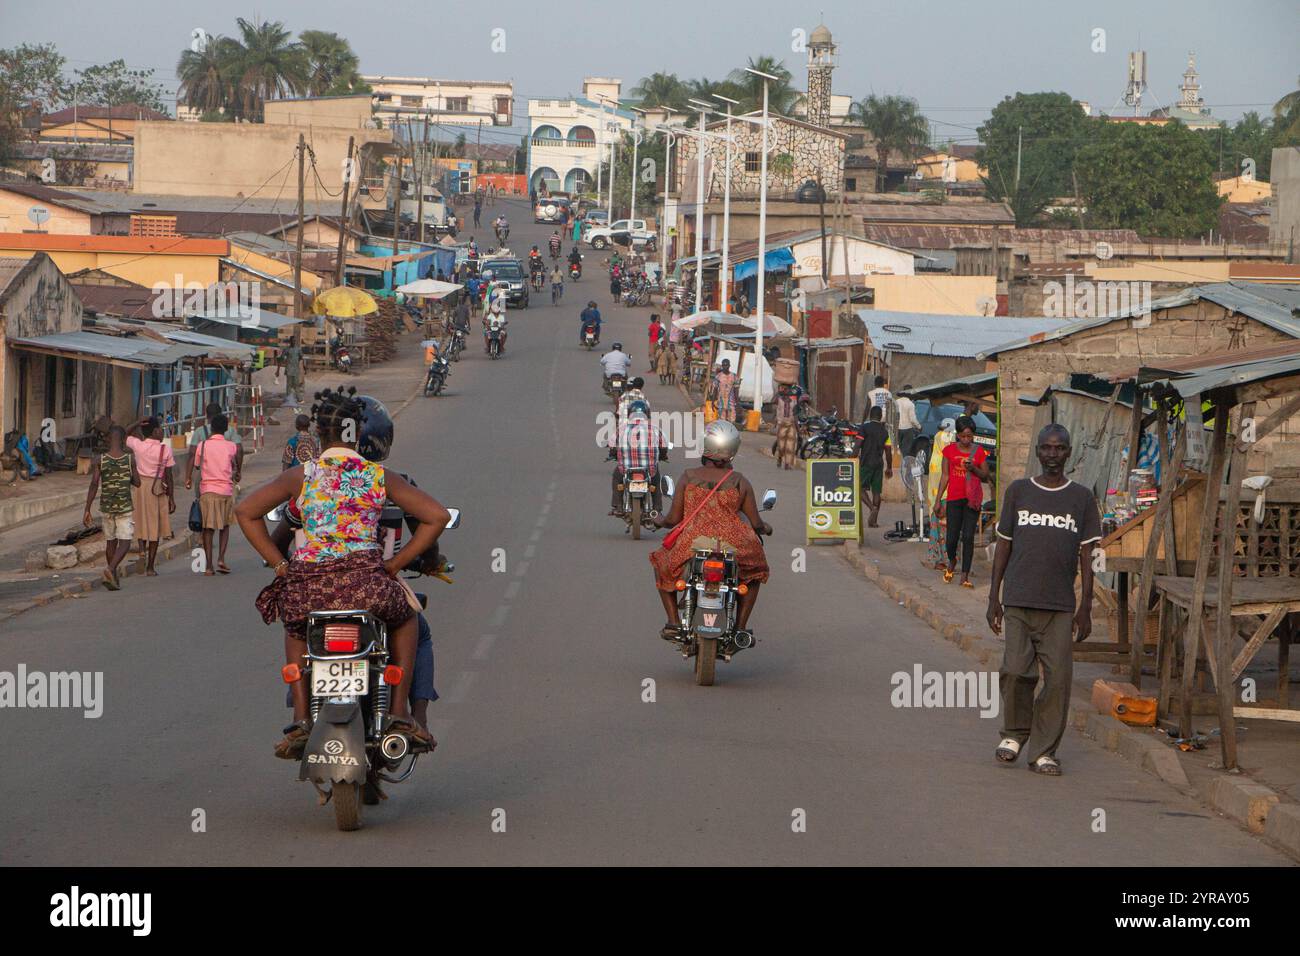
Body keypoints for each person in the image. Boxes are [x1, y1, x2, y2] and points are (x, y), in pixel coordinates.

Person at [236, 386, 451, 757]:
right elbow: (437, 516)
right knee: (408, 620)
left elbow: (245, 512)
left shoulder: (301, 476)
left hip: (309, 586)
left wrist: (282, 567)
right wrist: (395, 565)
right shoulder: (379, 476)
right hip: (367, 583)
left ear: (320, 434)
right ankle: (400, 713)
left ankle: (302, 721)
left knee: (296, 626)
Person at [988, 423, 1101, 777]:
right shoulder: (1019, 492)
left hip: (1060, 606)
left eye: (1060, 449)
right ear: (1037, 451)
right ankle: (1014, 734)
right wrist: (994, 597)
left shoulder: (1082, 498)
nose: (1053, 455)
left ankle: (1043, 751)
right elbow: (1004, 544)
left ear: (1069, 453)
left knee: (1058, 679)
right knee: (1016, 671)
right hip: (1019, 599)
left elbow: (1088, 554)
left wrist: (1086, 607)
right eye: (1047, 448)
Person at [651, 421, 771, 645]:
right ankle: (740, 629)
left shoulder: (688, 477)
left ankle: (673, 622)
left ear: (706, 445)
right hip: (733, 543)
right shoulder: (740, 481)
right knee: (756, 573)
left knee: (661, 564)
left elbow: (673, 519)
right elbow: (756, 522)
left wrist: (660, 521)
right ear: (733, 450)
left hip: (693, 541)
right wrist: (766, 528)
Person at [932, 415, 991, 587]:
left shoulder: (978, 452)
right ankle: (952, 559)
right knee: (951, 538)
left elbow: (985, 476)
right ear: (957, 435)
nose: (966, 439)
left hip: (971, 500)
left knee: (967, 537)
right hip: (953, 499)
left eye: (969, 436)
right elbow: (945, 476)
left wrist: (973, 468)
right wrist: (937, 501)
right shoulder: (949, 451)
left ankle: (964, 575)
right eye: (963, 436)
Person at [83, 424, 139, 591]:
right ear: (123, 440)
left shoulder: (100, 459)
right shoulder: (130, 459)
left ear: (108, 440)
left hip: (106, 506)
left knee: (111, 542)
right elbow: (138, 482)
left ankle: (113, 579)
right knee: (126, 542)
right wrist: (126, 478)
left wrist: (87, 508)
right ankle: (110, 569)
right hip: (124, 507)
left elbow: (94, 484)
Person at [187, 412, 240, 575]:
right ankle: (221, 559)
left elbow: (197, 465)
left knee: (208, 528)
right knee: (225, 526)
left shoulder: (202, 446)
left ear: (211, 428)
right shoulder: (231, 446)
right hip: (226, 490)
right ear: (225, 429)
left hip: (207, 491)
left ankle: (209, 566)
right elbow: (235, 465)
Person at [126, 416, 176, 576]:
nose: (162, 431)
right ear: (155, 431)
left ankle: (142, 551)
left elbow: (123, 434)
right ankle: (150, 567)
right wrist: (172, 498)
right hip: (157, 488)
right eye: (160, 428)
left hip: (140, 487)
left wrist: (137, 422)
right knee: (155, 526)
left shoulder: (138, 446)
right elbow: (169, 476)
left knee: (140, 521)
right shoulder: (165, 449)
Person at [608, 400, 668, 517]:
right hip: (649, 470)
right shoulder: (655, 429)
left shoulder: (621, 428)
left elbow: (612, 445)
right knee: (656, 481)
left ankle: (618, 505)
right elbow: (664, 446)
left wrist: (613, 453)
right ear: (647, 414)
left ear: (629, 413)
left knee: (617, 477)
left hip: (626, 469)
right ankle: (657, 509)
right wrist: (663, 455)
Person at [858, 406, 892, 528]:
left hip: (866, 463)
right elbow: (888, 451)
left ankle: (872, 508)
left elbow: (858, 444)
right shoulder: (884, 432)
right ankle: (873, 521)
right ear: (880, 416)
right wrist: (889, 467)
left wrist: (851, 457)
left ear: (870, 415)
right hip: (878, 464)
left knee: (859, 488)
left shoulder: (864, 428)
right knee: (876, 492)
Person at [773, 383, 805, 469]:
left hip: (791, 424)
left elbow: (795, 416)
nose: (786, 391)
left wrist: (798, 429)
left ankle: (787, 463)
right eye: (784, 389)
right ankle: (780, 457)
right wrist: (778, 392)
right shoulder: (779, 400)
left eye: (786, 389)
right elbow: (773, 401)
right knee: (781, 445)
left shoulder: (793, 401)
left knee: (790, 446)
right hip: (782, 424)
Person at [895, 386, 922, 458]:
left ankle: (897, 464)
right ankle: (903, 466)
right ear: (910, 393)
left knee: (897, 450)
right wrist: (919, 427)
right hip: (907, 430)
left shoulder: (896, 402)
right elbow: (913, 419)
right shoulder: (910, 404)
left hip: (897, 429)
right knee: (905, 451)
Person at [709, 359, 738, 424]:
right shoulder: (718, 376)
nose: (725, 367)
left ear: (729, 365)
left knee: (732, 421)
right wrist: (713, 402)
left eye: (726, 365)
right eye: (724, 365)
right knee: (722, 421)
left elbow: (736, 390)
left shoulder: (734, 376)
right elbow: (715, 389)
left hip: (731, 403)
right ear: (722, 366)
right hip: (721, 402)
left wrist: (737, 403)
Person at [278, 342, 306, 406]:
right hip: (289, 370)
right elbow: (281, 358)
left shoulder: (298, 349)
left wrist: (303, 367)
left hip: (295, 370)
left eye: (294, 340)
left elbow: (301, 357)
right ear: (290, 341)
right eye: (292, 340)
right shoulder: (287, 349)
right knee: (289, 385)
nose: (293, 342)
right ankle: (289, 399)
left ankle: (299, 399)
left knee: (296, 384)